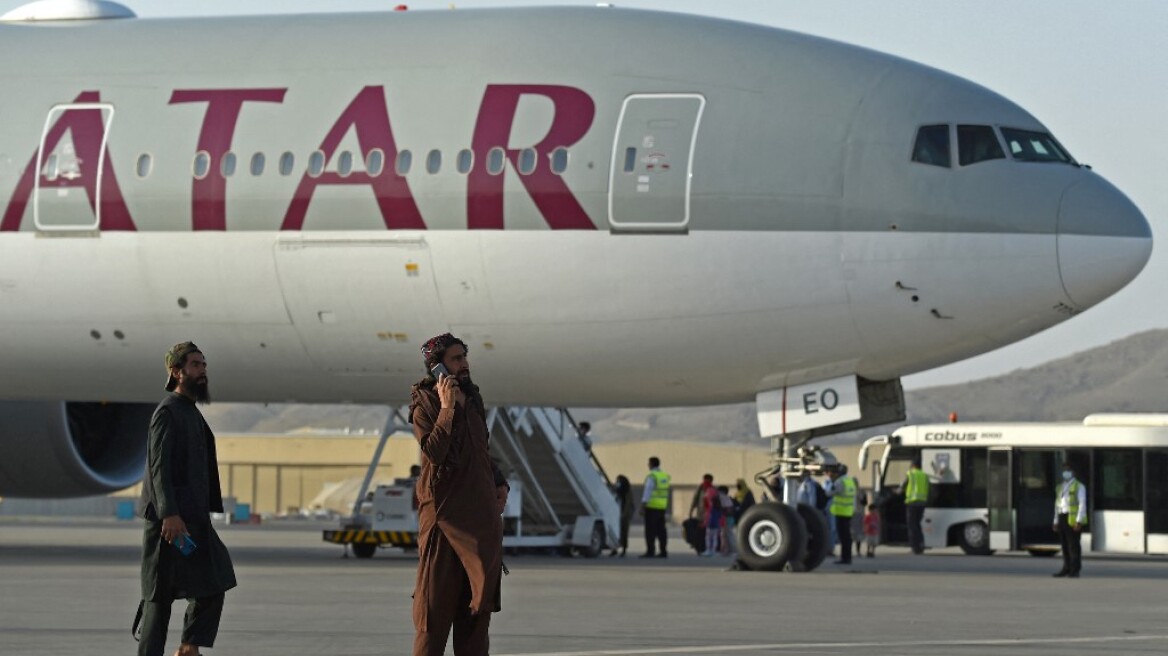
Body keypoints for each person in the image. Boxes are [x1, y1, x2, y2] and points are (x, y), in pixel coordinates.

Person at [410, 333, 509, 655]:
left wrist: (498, 481)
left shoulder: (474, 397)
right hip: (444, 520)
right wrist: (447, 408)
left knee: (476, 618)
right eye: (456, 359)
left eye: (465, 357)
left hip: (480, 520)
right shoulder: (424, 402)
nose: (464, 364)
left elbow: (480, 450)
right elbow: (434, 453)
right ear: (437, 367)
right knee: (433, 616)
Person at [135, 342, 237, 656]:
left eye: (204, 365)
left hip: (193, 521)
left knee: (214, 581)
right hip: (170, 524)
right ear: (177, 372)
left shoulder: (190, 413)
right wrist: (168, 514)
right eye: (195, 365)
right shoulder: (167, 412)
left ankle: (189, 647)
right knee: (158, 601)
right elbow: (158, 467)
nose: (202, 370)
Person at [1052, 462, 1088, 578]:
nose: (1065, 472)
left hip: (1072, 519)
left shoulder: (1079, 486)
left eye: (1068, 470)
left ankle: (1075, 570)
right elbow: (1057, 505)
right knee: (1064, 545)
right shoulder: (1060, 486)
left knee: (1073, 545)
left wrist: (1078, 521)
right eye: (1064, 470)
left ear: (1073, 472)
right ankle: (1066, 568)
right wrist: (1055, 521)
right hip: (1062, 516)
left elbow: (1082, 504)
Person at [639, 456, 670, 558]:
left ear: (651, 464)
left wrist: (643, 506)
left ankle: (650, 550)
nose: (648, 465)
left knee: (650, 530)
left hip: (652, 507)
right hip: (662, 507)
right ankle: (663, 551)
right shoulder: (664, 476)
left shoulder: (652, 476)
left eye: (648, 463)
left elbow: (647, 491)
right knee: (661, 530)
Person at [826, 465, 856, 564]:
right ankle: (847, 557)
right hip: (848, 511)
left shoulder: (839, 482)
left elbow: (831, 493)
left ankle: (845, 558)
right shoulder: (850, 481)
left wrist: (824, 492)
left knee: (843, 537)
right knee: (847, 537)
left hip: (841, 512)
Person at [902, 459, 930, 555]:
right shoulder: (924, 475)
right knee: (917, 525)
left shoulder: (911, 474)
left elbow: (903, 485)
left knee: (912, 526)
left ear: (913, 465)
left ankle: (914, 547)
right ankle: (921, 545)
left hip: (912, 503)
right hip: (922, 503)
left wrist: (897, 491)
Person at [611, 475, 635, 558]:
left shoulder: (627, 491)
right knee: (616, 532)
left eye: (619, 481)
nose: (617, 483)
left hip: (624, 514)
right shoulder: (617, 491)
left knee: (624, 532)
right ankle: (614, 549)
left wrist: (624, 514)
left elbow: (628, 503)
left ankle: (624, 549)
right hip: (616, 513)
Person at [701, 484, 724, 557]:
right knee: (714, 538)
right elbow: (720, 516)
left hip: (711, 524)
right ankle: (713, 550)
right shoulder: (719, 506)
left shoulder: (711, 508)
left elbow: (708, 516)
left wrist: (705, 523)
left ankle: (709, 550)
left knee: (708, 538)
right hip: (716, 525)